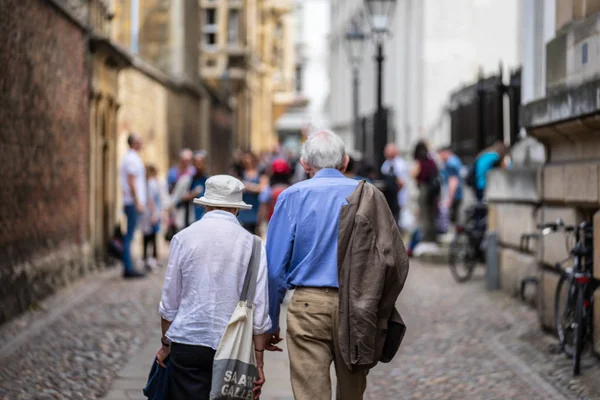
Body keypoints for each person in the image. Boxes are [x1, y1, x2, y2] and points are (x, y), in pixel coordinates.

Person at [265, 130, 409, 400]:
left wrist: (270, 321)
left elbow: (274, 270)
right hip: (358, 306)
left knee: (310, 394)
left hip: (308, 306)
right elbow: (395, 261)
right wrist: (378, 306)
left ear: (305, 164)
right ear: (344, 162)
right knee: (352, 393)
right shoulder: (370, 195)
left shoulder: (291, 197)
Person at [156, 175, 271, 399]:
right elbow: (259, 310)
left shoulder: (183, 238)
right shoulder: (254, 245)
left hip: (188, 343)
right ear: (237, 209)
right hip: (235, 348)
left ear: (206, 204)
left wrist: (165, 345)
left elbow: (169, 304)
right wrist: (258, 362)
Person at [119, 134, 146, 279]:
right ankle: (128, 268)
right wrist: (138, 202)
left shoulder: (133, 157)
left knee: (131, 235)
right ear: (134, 143)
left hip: (132, 202)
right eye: (139, 141)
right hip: (132, 203)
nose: (141, 143)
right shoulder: (131, 159)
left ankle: (129, 266)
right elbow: (131, 182)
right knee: (129, 236)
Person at [170, 151, 209, 229]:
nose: (199, 166)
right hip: (188, 223)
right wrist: (188, 197)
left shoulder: (209, 182)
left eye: (201, 163)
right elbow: (174, 201)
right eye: (197, 163)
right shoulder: (185, 181)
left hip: (205, 223)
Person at [412, 140, 440, 244]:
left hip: (424, 188)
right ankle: (432, 237)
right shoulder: (431, 160)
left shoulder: (420, 161)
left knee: (425, 214)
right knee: (431, 214)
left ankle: (427, 238)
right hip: (433, 190)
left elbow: (415, 174)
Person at [238, 151, 269, 234]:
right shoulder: (241, 172)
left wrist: (248, 186)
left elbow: (263, 187)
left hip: (256, 206)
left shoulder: (260, 172)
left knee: (256, 231)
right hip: (243, 206)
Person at [380, 143, 409, 227]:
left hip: (397, 196)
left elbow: (402, 182)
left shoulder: (400, 164)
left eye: (387, 150)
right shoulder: (385, 164)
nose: (385, 152)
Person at [142, 165, 162, 270]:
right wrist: (154, 213)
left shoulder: (148, 184)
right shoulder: (152, 184)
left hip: (150, 213)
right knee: (152, 237)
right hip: (152, 213)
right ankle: (152, 258)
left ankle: (147, 258)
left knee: (148, 237)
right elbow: (151, 200)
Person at [438, 146, 464, 224]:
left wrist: (449, 199)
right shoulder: (456, 160)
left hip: (452, 194)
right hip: (457, 193)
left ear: (445, 153)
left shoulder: (450, 163)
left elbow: (453, 180)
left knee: (451, 220)